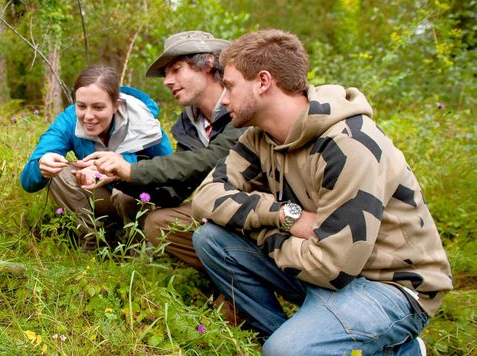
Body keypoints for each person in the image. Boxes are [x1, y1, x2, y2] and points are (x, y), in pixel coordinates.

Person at [191, 28, 453, 354]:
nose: (223, 99)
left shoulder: (349, 143)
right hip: (317, 262)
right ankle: (299, 338)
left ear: (263, 81)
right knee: (211, 240)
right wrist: (283, 215)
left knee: (286, 351)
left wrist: (267, 232)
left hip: (389, 285)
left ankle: (397, 346)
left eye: (229, 86)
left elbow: (333, 268)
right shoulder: (260, 138)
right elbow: (204, 197)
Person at [80, 31, 244, 270]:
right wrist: (118, 178)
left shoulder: (241, 106)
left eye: (176, 70)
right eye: (166, 74)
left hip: (263, 210)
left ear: (209, 63)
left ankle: (243, 283)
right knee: (159, 222)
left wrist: (131, 168)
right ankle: (224, 277)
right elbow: (174, 191)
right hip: (221, 209)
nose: (167, 81)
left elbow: (213, 158)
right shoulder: (190, 124)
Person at [20, 66, 173, 249]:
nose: (88, 116)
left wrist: (124, 171)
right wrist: (41, 166)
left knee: (126, 191)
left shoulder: (143, 122)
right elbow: (27, 182)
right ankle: (93, 239)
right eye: (81, 106)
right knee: (57, 172)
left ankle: (138, 246)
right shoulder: (69, 120)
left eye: (98, 107)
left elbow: (171, 174)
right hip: (100, 198)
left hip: (137, 202)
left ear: (116, 105)